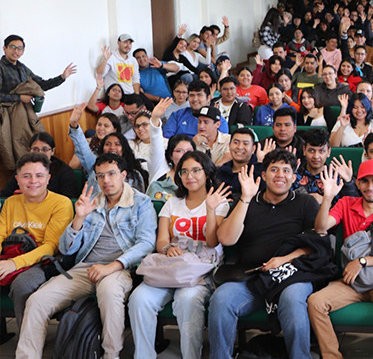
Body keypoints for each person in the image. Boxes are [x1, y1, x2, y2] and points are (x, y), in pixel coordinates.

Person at [16, 153, 157, 359]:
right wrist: (79, 218)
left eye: (111, 174)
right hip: (86, 268)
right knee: (37, 301)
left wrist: (112, 266)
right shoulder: (92, 203)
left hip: (120, 268)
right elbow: (66, 249)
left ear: (123, 175)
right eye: (100, 176)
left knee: (109, 291)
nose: (106, 180)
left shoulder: (141, 203)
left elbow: (146, 243)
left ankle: (111, 355)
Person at [209, 150, 320, 359]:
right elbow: (226, 238)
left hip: (292, 275)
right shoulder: (248, 201)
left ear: (294, 177)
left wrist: (283, 260)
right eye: (274, 170)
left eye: (286, 171)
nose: (280, 175)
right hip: (252, 277)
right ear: (263, 175)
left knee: (292, 298)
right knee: (221, 299)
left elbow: (315, 246)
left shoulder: (305, 203)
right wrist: (245, 198)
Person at [129, 152, 230, 359]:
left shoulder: (219, 203)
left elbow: (213, 242)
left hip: (201, 270)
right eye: (184, 171)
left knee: (187, 299)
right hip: (172, 267)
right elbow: (162, 241)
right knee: (139, 298)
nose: (189, 176)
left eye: (196, 170)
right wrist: (167, 249)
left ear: (207, 173)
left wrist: (210, 210)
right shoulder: (172, 202)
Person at [309, 160, 373, 359]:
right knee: (315, 302)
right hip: (351, 281)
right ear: (357, 183)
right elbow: (321, 228)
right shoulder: (345, 203)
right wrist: (328, 198)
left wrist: (362, 262)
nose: (370, 187)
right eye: (365, 181)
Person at [0, 153, 73, 325]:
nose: (33, 181)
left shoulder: (61, 203)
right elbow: (1, 235)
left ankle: (27, 337)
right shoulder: (11, 202)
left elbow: (51, 246)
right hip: (12, 253)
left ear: (48, 178)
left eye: (39, 175)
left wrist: (14, 264)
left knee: (22, 284)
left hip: (44, 261)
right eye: (26, 176)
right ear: (17, 179)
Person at [68, 103, 148, 193]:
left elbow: (139, 199)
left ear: (124, 149)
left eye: (117, 144)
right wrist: (74, 124)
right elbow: (83, 149)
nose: (112, 147)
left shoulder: (134, 174)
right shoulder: (95, 165)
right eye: (108, 144)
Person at [1, 132, 80, 199]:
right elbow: (5, 194)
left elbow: (68, 200)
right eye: (35, 149)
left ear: (53, 151)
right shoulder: (24, 168)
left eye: (45, 149)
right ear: (29, 150)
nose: (40, 153)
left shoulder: (64, 171)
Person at [0, 34, 76, 104]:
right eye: (12, 47)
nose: (16, 51)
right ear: (4, 48)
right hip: (6, 111)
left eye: (19, 48)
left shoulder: (22, 68)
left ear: (23, 51)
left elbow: (42, 85)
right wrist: (19, 98)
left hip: (24, 110)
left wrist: (62, 77)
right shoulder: (1, 67)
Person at [146, 98, 196, 202]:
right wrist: (155, 119)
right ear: (170, 155)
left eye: (189, 151)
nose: (185, 155)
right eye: (179, 151)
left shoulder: (197, 177)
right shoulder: (160, 167)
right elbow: (156, 141)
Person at [163, 81, 229, 138]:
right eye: (192, 95)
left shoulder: (218, 121)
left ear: (208, 98)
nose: (195, 99)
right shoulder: (177, 116)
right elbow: (167, 139)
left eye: (199, 95)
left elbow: (221, 145)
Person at [215, 127, 265, 201]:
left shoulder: (260, 171)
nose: (239, 147)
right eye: (236, 142)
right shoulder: (220, 171)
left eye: (245, 144)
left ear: (253, 149)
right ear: (229, 145)